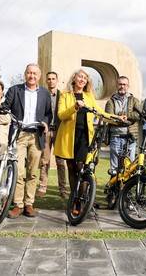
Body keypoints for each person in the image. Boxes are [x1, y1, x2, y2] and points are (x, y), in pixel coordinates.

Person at [55, 69, 120, 215]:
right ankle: (76, 201)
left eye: (85, 78)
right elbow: (61, 115)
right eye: (80, 77)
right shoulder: (65, 95)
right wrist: (75, 107)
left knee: (82, 169)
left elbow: (100, 112)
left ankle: (83, 200)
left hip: (84, 137)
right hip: (68, 138)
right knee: (71, 169)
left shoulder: (89, 96)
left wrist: (116, 118)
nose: (82, 79)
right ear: (74, 79)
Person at [4, 64, 52, 218]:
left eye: (35, 74)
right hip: (19, 134)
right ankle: (18, 204)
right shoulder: (14, 90)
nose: (32, 76)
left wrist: (45, 122)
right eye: (29, 73)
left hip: (36, 135)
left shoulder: (45, 93)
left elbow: (48, 114)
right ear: (25, 74)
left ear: (39, 76)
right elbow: (6, 106)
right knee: (18, 171)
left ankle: (29, 204)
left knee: (32, 172)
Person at [36, 71, 68, 199]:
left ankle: (63, 190)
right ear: (46, 81)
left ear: (57, 80)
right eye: (48, 79)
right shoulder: (42, 95)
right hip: (46, 131)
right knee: (45, 161)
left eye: (53, 79)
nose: (51, 81)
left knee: (61, 162)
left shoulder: (63, 95)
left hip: (60, 131)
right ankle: (42, 187)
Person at [105, 76, 141, 178]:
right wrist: (123, 119)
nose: (122, 86)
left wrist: (126, 116)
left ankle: (126, 192)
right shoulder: (110, 101)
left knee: (129, 166)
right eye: (120, 84)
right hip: (115, 137)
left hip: (131, 137)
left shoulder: (134, 100)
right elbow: (109, 117)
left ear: (128, 86)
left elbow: (139, 115)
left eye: (124, 84)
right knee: (114, 167)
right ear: (117, 85)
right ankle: (114, 191)